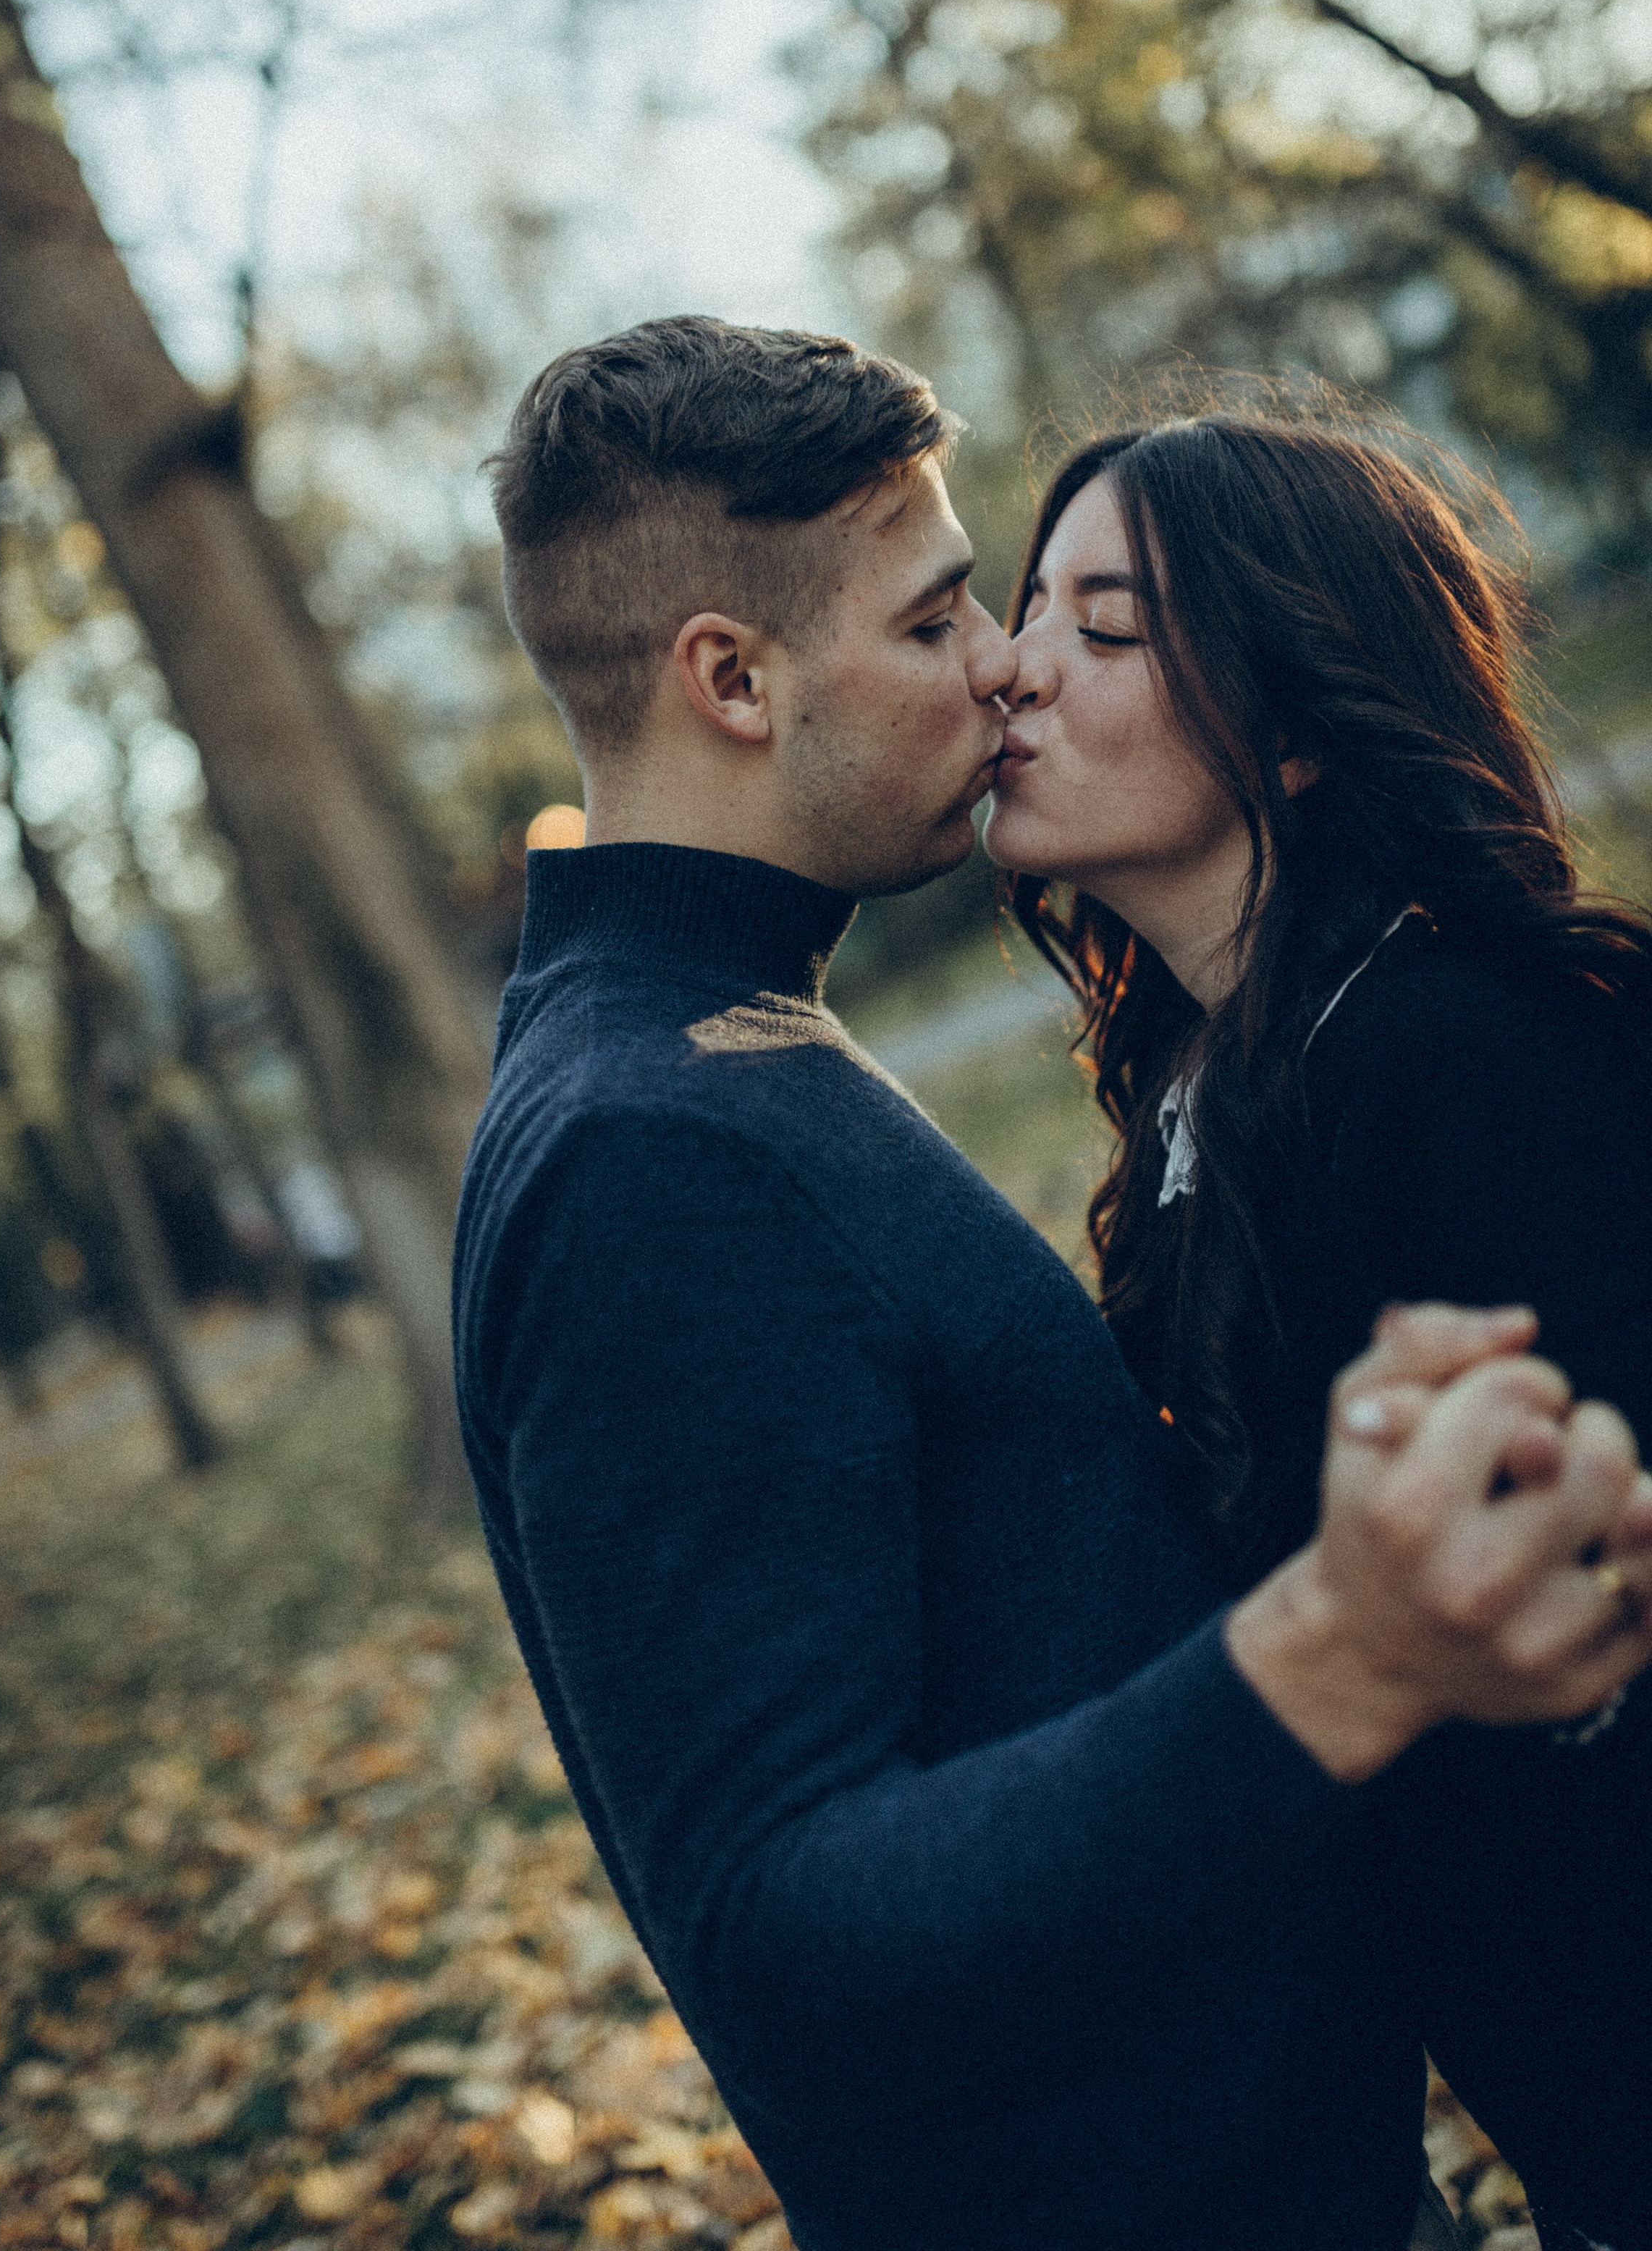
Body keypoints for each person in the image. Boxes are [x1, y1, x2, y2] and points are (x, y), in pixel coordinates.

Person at [454, 316, 1652, 2251]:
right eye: (943, 622)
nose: (999, 664)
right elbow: (782, 1919)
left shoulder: (735, 1044)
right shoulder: (651, 1144)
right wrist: (1332, 1650)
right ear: (732, 679)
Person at [985, 402, 1652, 2251]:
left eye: (1102, 630)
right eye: (1024, 607)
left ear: (1288, 729)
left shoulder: (1475, 1053)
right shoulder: (1204, 1089)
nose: (1008, 671)